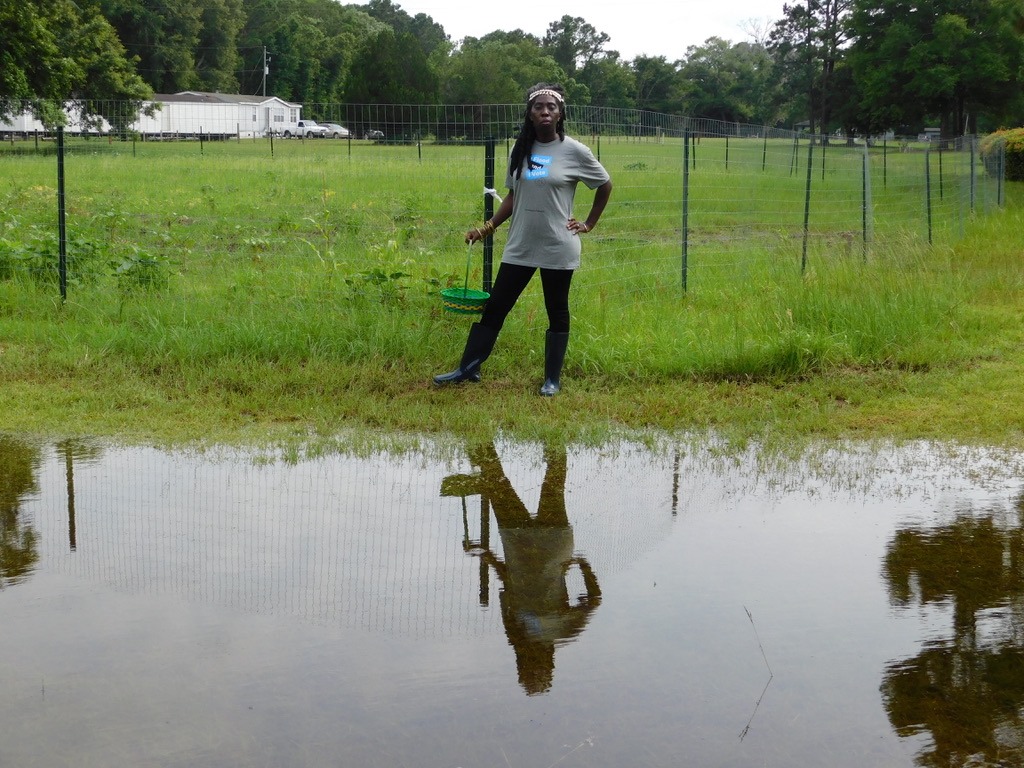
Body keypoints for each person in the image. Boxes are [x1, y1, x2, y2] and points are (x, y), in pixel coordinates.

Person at [433, 83, 612, 396]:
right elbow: (514, 196)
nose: (545, 112)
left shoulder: (574, 151)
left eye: (551, 107)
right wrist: (487, 227)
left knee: (556, 309)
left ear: (560, 114)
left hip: (558, 245)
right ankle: (468, 368)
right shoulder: (521, 150)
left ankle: (552, 380)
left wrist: (589, 223)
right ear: (530, 114)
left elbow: (605, 184)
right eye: (539, 107)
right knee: (496, 307)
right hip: (521, 246)